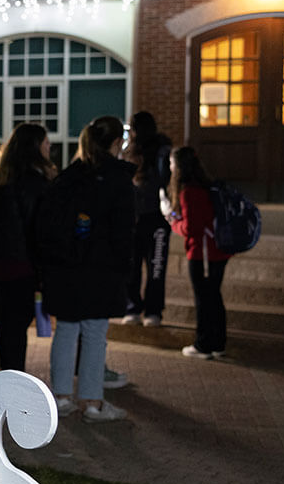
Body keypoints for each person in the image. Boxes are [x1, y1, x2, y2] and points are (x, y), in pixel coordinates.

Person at [37, 116, 135, 422]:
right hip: (100, 269)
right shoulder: (117, 179)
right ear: (118, 143)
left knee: (66, 331)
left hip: (66, 268)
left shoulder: (69, 177)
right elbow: (123, 231)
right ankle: (93, 401)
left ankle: (61, 397)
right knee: (95, 333)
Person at [0, 123, 57, 372]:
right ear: (35, 147)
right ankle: (13, 375)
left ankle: (10, 370)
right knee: (16, 322)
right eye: (45, 142)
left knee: (9, 321)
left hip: (4, 259)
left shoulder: (4, 180)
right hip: (23, 261)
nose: (50, 146)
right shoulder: (35, 183)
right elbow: (39, 230)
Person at [168, 146, 231, 359]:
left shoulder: (189, 192)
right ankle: (218, 342)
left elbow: (191, 228)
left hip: (202, 254)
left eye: (172, 164)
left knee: (204, 299)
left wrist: (173, 222)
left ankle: (203, 345)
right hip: (217, 251)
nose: (170, 168)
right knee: (214, 297)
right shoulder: (206, 186)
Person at [122, 111, 173, 327]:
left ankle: (139, 309)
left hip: (148, 218)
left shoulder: (157, 152)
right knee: (151, 268)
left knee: (148, 268)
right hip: (148, 219)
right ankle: (149, 311)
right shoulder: (137, 152)